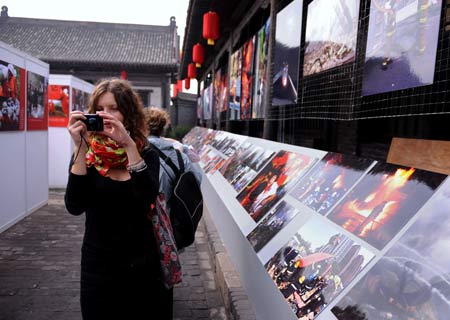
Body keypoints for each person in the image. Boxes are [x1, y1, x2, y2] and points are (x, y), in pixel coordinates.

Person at [64, 79, 174, 320]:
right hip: (98, 265)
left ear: (128, 113)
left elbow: (147, 198)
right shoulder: (88, 154)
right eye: (100, 109)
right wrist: (79, 147)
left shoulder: (146, 153)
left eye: (113, 108)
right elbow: (74, 205)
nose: (106, 115)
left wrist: (127, 144)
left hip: (143, 265)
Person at [143, 106, 202, 203]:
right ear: (163, 128)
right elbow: (196, 181)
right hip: (173, 214)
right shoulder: (180, 154)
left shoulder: (135, 152)